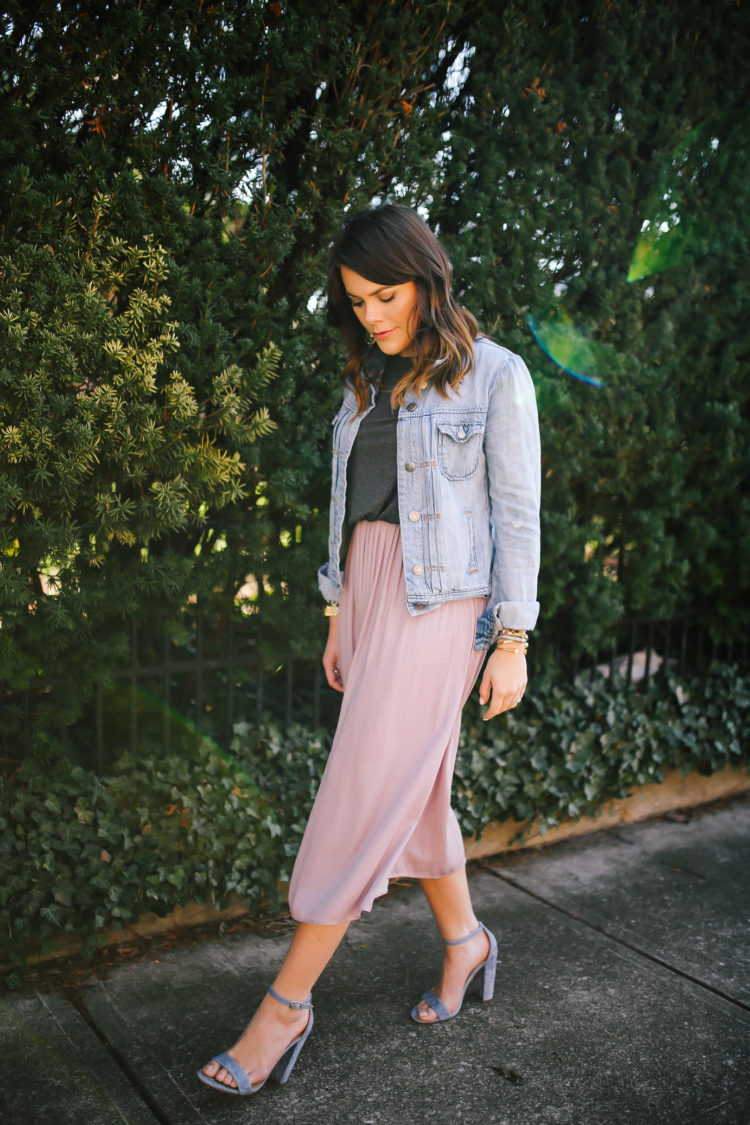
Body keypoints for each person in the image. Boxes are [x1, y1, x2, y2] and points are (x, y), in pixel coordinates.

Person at [198, 204, 541, 1095]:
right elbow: (349, 504)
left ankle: (286, 1005)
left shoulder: (497, 376)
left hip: (443, 601)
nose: (373, 315)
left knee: (361, 787)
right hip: (370, 588)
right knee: (414, 788)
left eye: (385, 295)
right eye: (356, 301)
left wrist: (513, 637)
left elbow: (518, 515)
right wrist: (338, 612)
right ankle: (467, 942)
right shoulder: (365, 381)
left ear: (427, 279)